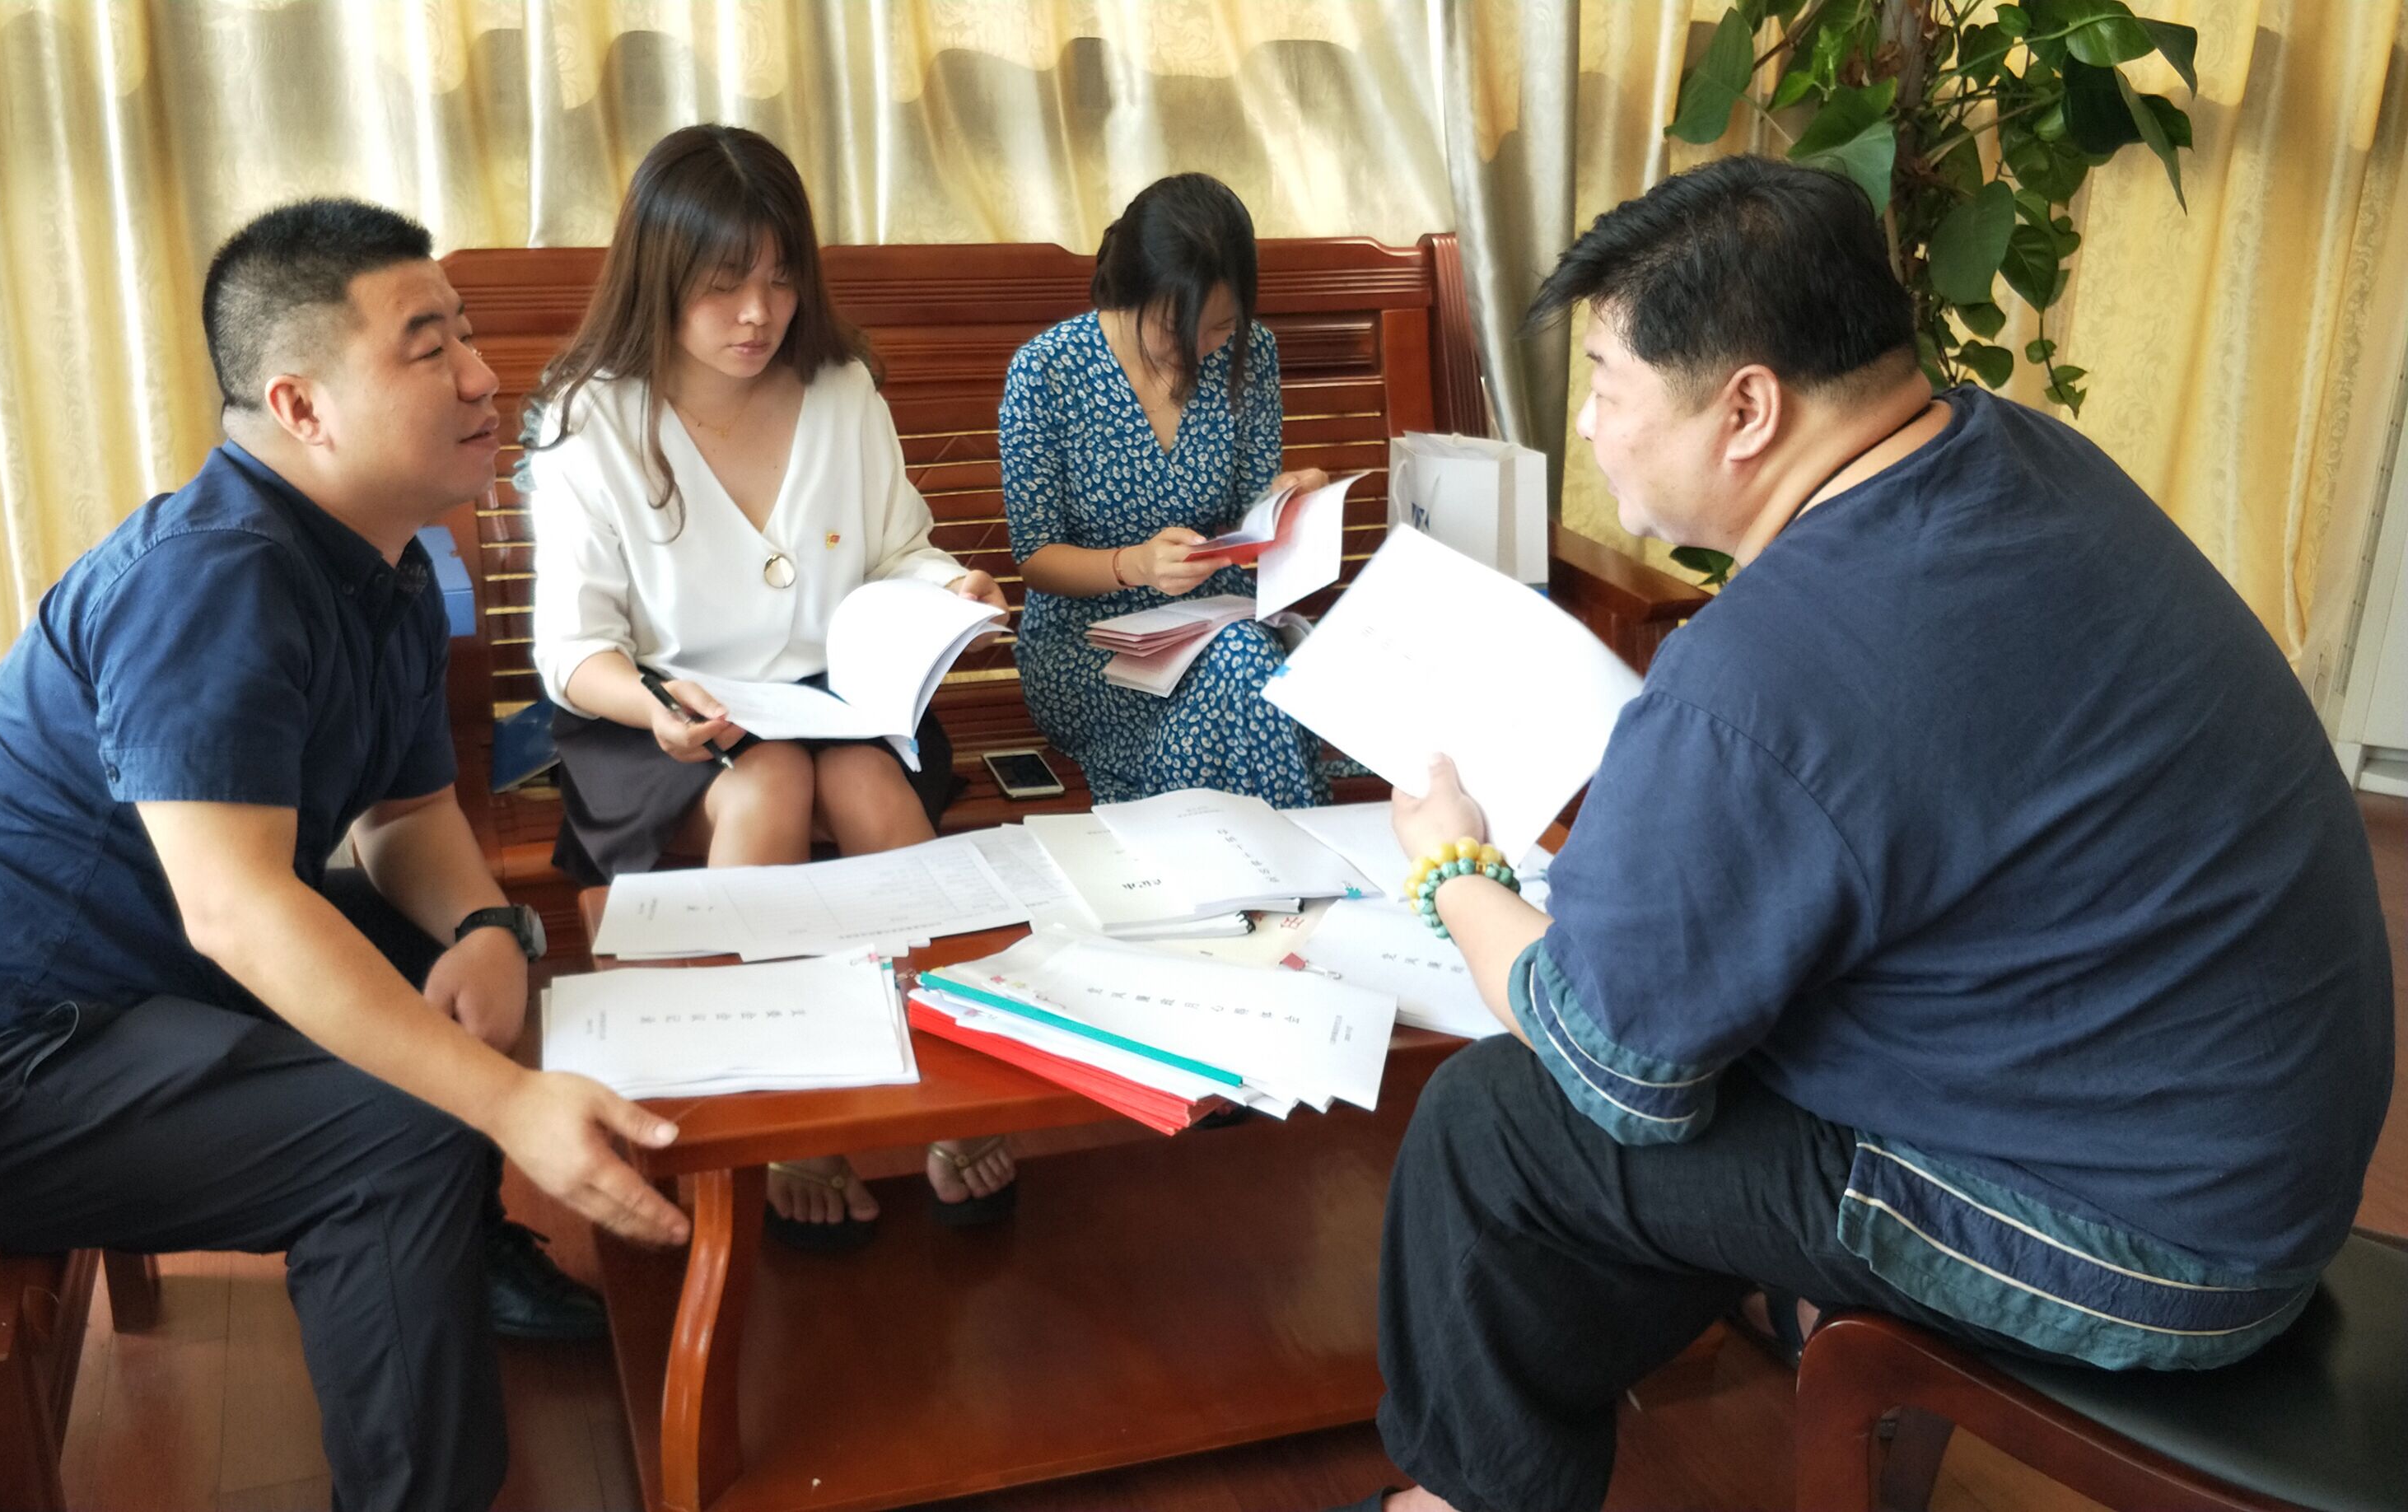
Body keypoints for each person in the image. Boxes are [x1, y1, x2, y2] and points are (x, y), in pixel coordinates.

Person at [1346, 156, 2394, 1512]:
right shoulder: (2012, 455)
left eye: (1605, 383)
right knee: (1723, 1020)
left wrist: (1453, 867)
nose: (1590, 427)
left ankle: (1464, 1500)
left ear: (1745, 409)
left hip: (2140, 1250)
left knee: (1498, 1125)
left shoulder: (1766, 668)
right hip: (2250, 1163)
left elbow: (1605, 1065)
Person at [0, 199, 693, 1512]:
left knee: (440, 955)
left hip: (121, 986)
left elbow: (404, 817)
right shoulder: (215, 575)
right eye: (428, 346)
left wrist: (485, 930)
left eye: (467, 334)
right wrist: (502, 1105)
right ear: (301, 405)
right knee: (400, 1129)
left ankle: (453, 1248)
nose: (482, 375)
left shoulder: (385, 563)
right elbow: (235, 911)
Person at [520, 123, 1016, 1248]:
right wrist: (652, 705)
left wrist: (949, 588)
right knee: (772, 783)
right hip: (661, 725)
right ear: (660, 278)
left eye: (782, 279)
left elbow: (898, 551)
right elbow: (573, 649)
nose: (759, 313)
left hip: (834, 700)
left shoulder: (840, 389)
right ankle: (779, 1111)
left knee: (868, 790)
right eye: (723, 284)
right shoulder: (591, 420)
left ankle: (959, 1082)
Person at [998, 173, 1333, 807]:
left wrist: (1289, 501)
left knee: (1245, 664)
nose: (1200, 350)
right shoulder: (1046, 370)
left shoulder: (1251, 354)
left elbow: (1250, 518)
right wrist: (1137, 565)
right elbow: (1037, 559)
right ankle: (1295, 848)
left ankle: (1193, 836)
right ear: (1130, 294)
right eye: (1175, 329)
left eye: (1220, 328)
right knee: (1248, 673)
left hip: (1217, 622)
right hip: (1088, 647)